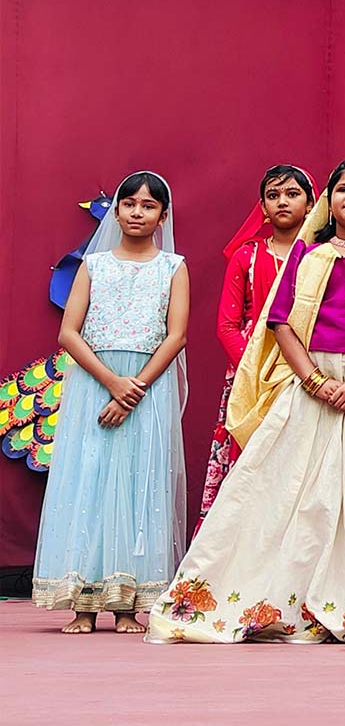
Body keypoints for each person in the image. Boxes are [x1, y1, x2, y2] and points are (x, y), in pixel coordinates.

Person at [148, 158, 345, 644]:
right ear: (328, 201)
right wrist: (314, 381)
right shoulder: (308, 254)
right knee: (285, 491)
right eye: (343, 188)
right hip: (309, 385)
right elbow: (280, 320)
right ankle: (275, 599)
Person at [34, 172, 189, 634]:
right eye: (130, 204)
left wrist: (134, 387)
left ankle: (127, 604)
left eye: (149, 205)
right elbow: (68, 333)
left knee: (140, 485)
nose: (138, 212)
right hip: (94, 383)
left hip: (149, 387)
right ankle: (83, 603)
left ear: (163, 216)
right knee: (89, 480)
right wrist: (111, 382)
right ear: (116, 212)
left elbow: (176, 335)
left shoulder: (173, 267)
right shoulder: (94, 265)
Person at [201, 165, 312, 523]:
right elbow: (226, 326)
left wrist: (303, 373)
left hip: (307, 375)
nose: (283, 202)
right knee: (249, 456)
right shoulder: (246, 256)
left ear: (311, 204)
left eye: (292, 194)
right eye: (273, 196)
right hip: (249, 375)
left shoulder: (320, 258)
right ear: (263, 207)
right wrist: (255, 371)